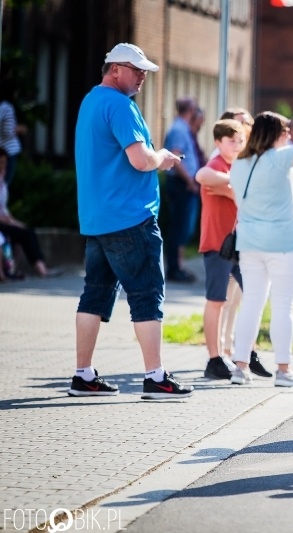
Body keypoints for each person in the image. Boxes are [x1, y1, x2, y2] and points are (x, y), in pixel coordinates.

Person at [70, 42, 192, 400]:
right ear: (115, 69)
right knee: (146, 295)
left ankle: (83, 375)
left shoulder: (90, 101)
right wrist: (165, 157)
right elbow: (140, 160)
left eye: (144, 72)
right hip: (130, 217)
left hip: (97, 219)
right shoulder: (120, 105)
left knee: (94, 295)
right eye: (137, 70)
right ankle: (156, 377)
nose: (142, 77)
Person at [228, 109, 293, 387]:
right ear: (276, 133)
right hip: (283, 244)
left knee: (251, 302)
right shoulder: (279, 158)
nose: (289, 135)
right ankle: (283, 370)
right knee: (282, 305)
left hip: (250, 243)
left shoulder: (239, 163)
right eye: (286, 131)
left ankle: (239, 368)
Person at [194, 118, 273, 381]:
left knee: (253, 295)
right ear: (218, 143)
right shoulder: (215, 165)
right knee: (216, 300)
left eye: (240, 140)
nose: (237, 144)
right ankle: (214, 358)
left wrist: (234, 188)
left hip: (242, 244)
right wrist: (234, 187)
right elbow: (202, 176)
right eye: (231, 140)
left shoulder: (239, 165)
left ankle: (247, 353)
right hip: (218, 243)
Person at [0, 147, 60, 278]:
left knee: (27, 231)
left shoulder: (3, 183)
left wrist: (15, 222)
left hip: (4, 222)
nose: (3, 166)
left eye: (4, 163)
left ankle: (41, 268)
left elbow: (4, 209)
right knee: (21, 234)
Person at [164, 96, 201, 283]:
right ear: (190, 110)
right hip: (181, 184)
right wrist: (190, 180)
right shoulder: (179, 129)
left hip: (184, 183)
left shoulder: (182, 128)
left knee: (183, 227)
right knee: (179, 227)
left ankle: (178, 266)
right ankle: (174, 268)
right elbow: (176, 157)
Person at [0, 85, 25, 191]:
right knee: (4, 183)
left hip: (7, 149)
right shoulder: (6, 107)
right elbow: (7, 129)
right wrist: (17, 130)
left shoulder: (5, 107)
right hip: (7, 150)